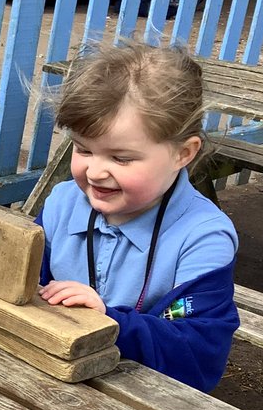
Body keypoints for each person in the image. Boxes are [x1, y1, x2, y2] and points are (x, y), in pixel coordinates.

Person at [37, 43, 239, 391]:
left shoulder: (203, 239)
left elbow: (199, 352)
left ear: (183, 153)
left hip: (145, 399)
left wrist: (108, 322)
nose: (96, 172)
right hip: (52, 377)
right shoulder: (61, 204)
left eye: (121, 158)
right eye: (83, 149)